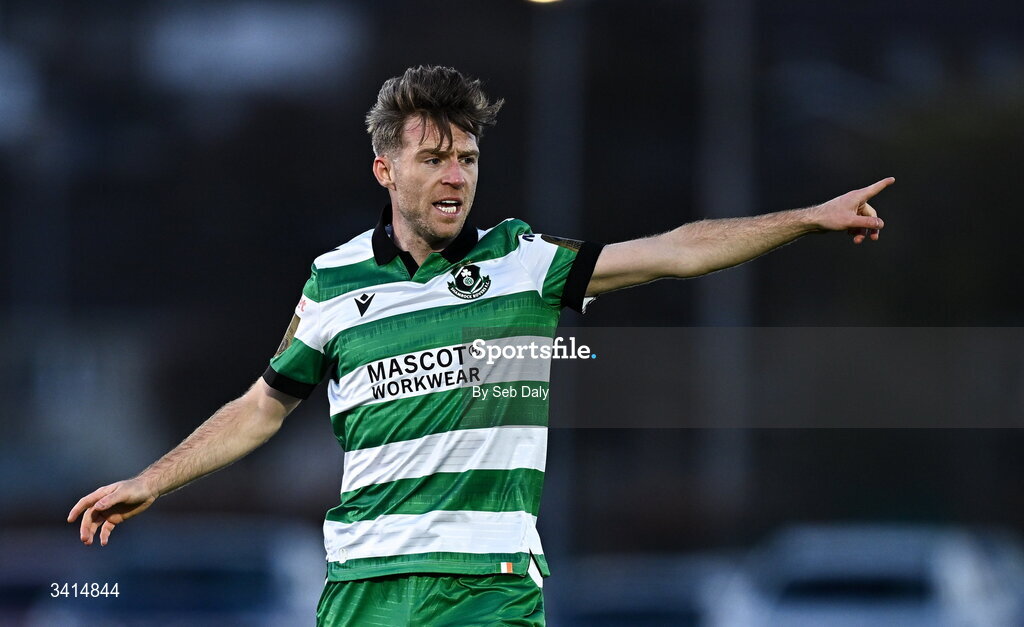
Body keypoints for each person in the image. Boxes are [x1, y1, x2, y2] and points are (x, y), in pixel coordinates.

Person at [68, 65, 892, 625]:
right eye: (434, 158)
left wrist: (807, 218)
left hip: (486, 583)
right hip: (364, 584)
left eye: (466, 157)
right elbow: (262, 407)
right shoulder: (333, 281)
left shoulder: (522, 262)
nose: (456, 175)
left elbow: (675, 250)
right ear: (386, 170)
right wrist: (151, 479)